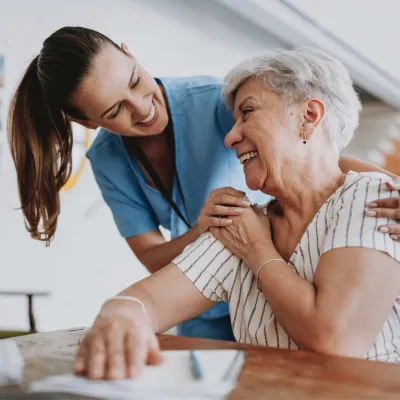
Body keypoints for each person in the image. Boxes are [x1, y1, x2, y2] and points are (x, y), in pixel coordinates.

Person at [8, 27, 400, 342]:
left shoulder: (214, 100)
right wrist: (121, 311)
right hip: (217, 289)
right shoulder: (110, 160)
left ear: (132, 54)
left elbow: (313, 159)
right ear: (89, 124)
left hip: (272, 270)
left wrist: (381, 183)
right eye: (115, 110)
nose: (142, 108)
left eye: (135, 81)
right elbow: (150, 269)